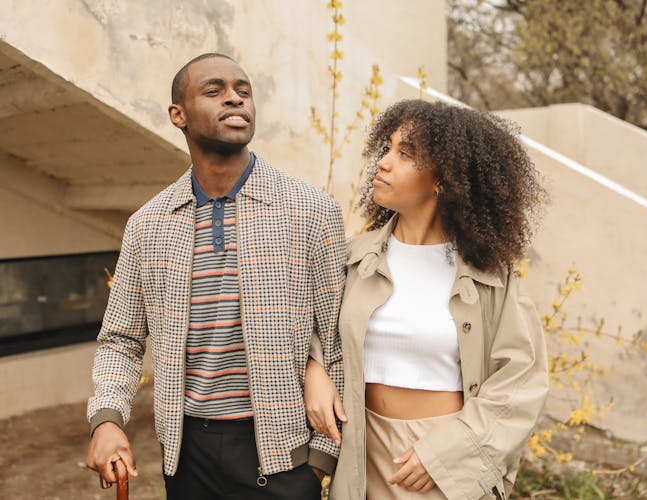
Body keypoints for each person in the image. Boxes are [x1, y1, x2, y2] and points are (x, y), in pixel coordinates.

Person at [85, 53, 346, 500]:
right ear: (178, 115)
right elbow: (121, 340)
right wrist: (107, 418)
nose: (234, 99)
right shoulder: (148, 224)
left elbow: (340, 335)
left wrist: (320, 462)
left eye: (243, 90)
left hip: (285, 460)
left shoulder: (311, 211)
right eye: (215, 90)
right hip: (187, 460)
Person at [304, 99, 549, 499]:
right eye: (387, 148)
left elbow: (522, 381)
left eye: (406, 154)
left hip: (440, 465)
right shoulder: (352, 257)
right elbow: (313, 330)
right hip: (362, 457)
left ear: (443, 179)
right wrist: (314, 368)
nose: (383, 162)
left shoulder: (490, 276)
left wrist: (446, 455)